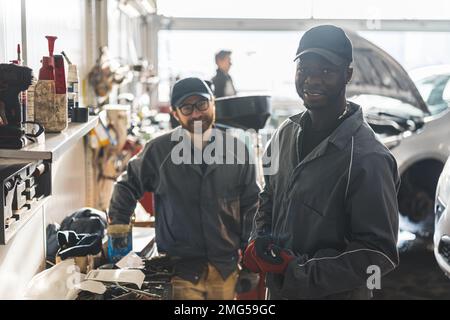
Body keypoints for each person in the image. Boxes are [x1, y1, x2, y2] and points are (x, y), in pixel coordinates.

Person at [243, 25, 400, 299]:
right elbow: (269, 196)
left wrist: (298, 271)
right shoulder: (284, 134)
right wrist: (260, 239)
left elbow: (378, 254)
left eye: (326, 70)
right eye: (304, 68)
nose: (312, 80)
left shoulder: (367, 157)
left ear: (347, 74)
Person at [108, 77, 260, 300]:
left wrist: (250, 260)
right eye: (186, 107)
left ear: (213, 103)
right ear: (175, 113)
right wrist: (119, 238)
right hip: (179, 273)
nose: (196, 114)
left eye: (201, 104)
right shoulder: (159, 151)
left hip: (225, 269)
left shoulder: (237, 151)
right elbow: (126, 185)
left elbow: (251, 207)